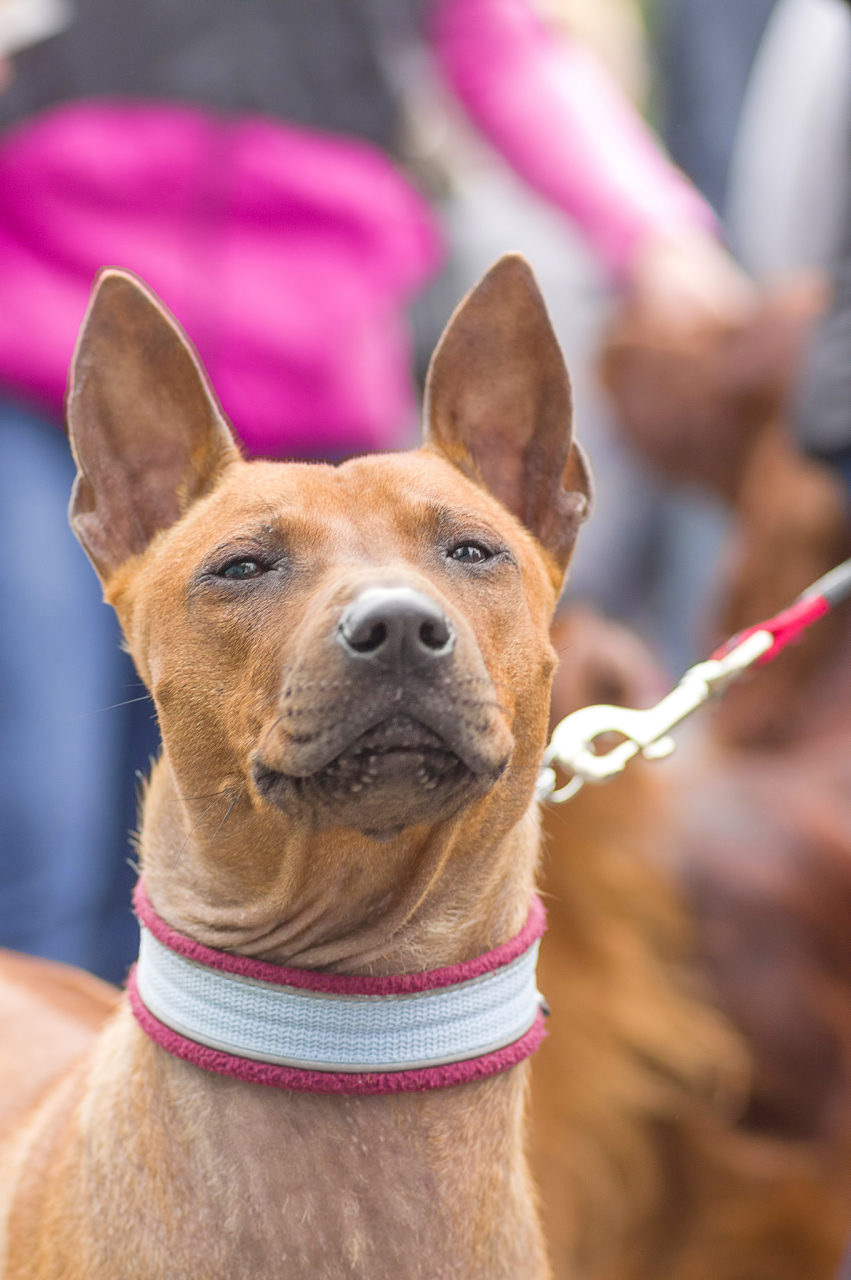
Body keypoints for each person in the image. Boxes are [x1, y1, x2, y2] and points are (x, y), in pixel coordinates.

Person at [0, 0, 748, 980]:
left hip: (320, 372)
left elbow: (506, 54)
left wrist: (655, 235)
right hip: (46, 368)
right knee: (45, 829)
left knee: (320, 839)